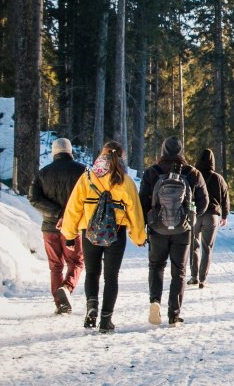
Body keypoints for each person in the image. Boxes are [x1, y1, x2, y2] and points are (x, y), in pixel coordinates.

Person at [60, 141, 146, 334]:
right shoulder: (125, 181)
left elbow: (73, 207)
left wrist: (70, 234)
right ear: (121, 157)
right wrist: (139, 237)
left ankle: (92, 307)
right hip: (116, 233)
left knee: (92, 273)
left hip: (90, 233)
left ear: (102, 155)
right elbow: (135, 212)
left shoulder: (87, 178)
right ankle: (106, 320)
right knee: (111, 277)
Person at [140, 137, 208, 327]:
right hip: (183, 230)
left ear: (163, 151)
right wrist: (190, 216)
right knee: (179, 271)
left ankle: (155, 301)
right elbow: (204, 202)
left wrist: (149, 220)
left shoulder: (152, 172)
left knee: (156, 266)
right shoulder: (192, 173)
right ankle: (174, 314)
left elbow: (142, 201)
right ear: (181, 151)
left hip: (157, 229)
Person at [28, 137, 87, 314]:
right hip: (73, 227)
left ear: (54, 153)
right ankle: (67, 288)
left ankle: (59, 303)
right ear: (70, 151)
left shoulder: (42, 173)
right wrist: (68, 214)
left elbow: (33, 198)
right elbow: (90, 197)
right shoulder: (82, 171)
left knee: (55, 266)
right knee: (76, 262)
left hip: (49, 227)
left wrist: (55, 213)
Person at [188, 148, 229, 289]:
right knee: (207, 248)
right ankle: (202, 279)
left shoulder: (193, 175)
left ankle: (193, 276)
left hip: (195, 214)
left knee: (194, 245)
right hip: (212, 216)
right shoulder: (218, 178)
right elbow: (225, 198)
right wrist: (224, 215)